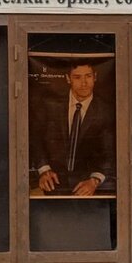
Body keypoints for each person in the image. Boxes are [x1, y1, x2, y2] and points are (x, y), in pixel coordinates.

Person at [31, 60, 115, 196]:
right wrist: (43, 169)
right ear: (68, 78)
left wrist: (95, 180)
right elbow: (35, 138)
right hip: (52, 184)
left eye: (88, 76)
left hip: (90, 189)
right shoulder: (50, 105)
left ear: (95, 77)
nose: (84, 83)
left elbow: (109, 150)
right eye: (77, 77)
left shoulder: (106, 110)